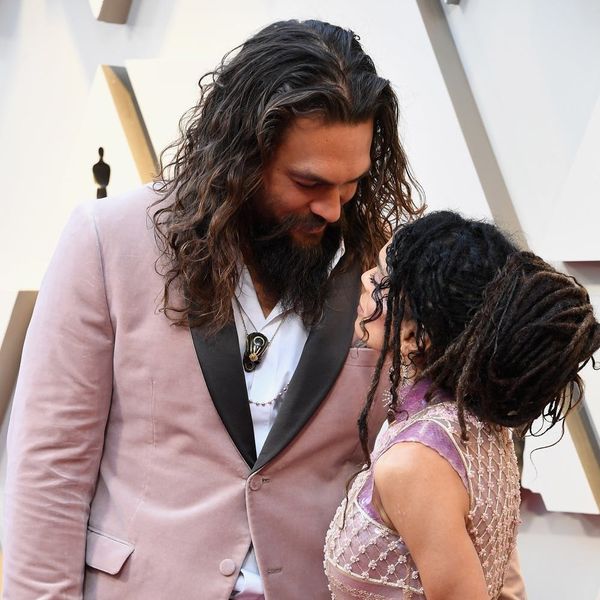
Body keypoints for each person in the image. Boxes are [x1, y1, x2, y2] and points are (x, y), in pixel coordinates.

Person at [3, 20, 522, 600]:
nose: (332, 208)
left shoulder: (392, 274)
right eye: (308, 182)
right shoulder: (108, 240)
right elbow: (50, 469)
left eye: (351, 184)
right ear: (242, 156)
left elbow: (465, 456)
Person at [324, 211, 600, 599]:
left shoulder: (416, 462)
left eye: (383, 281)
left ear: (418, 335)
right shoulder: (471, 418)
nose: (366, 279)